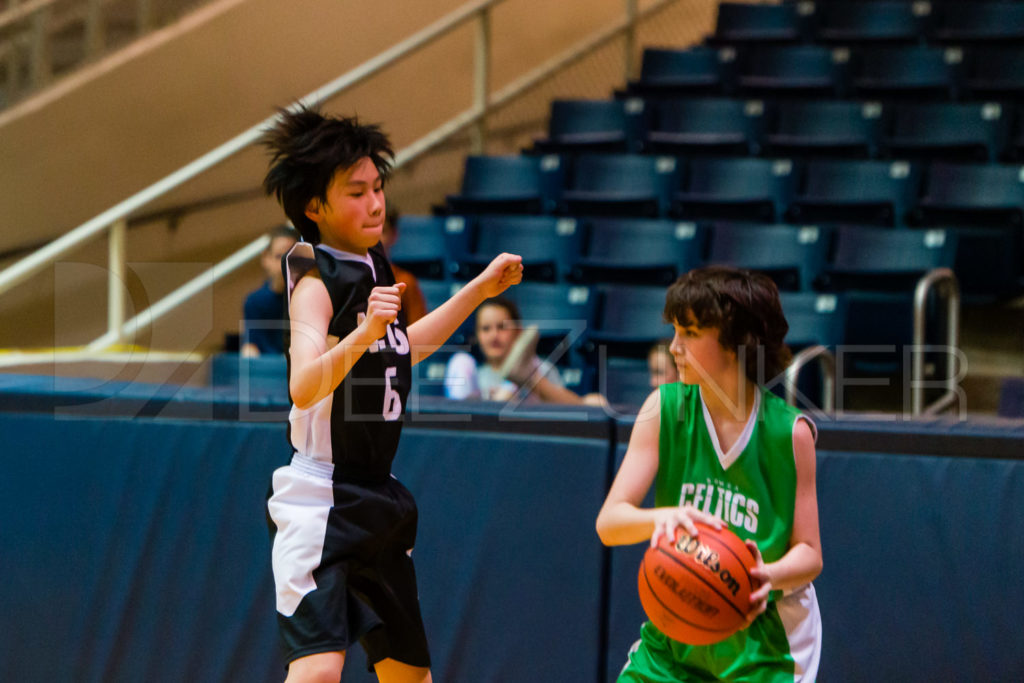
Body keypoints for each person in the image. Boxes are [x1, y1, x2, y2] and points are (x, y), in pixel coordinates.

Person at [261, 104, 523, 683]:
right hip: (319, 499)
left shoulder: (377, 269)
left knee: (409, 676)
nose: (375, 202)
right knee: (319, 672)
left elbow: (407, 347)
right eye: (356, 192)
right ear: (314, 207)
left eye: (378, 187)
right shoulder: (314, 284)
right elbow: (304, 388)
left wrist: (478, 291)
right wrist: (362, 334)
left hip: (377, 499)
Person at [595, 266, 822, 682]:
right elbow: (609, 524)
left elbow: (809, 553)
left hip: (763, 638)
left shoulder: (790, 432)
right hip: (677, 627)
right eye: (675, 332)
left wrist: (764, 577)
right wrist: (660, 517)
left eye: (691, 333)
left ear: (738, 343)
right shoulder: (662, 410)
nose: (674, 348)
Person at [443, 296, 604, 405]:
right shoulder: (473, 373)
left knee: (595, 403)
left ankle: (528, 378)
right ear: (477, 336)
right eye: (486, 329)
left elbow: (566, 410)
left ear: (518, 331)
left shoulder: (539, 367)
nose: (494, 336)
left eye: (502, 327)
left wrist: (531, 380)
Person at [241, 224, 299, 357]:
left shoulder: (309, 299)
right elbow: (251, 345)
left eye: (291, 257)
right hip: (268, 371)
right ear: (266, 258)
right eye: (279, 256)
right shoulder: (254, 302)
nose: (285, 263)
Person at [379, 204, 427, 324]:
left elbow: (420, 334)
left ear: (394, 235)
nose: (376, 238)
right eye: (369, 229)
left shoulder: (406, 282)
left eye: (383, 231)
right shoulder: (349, 279)